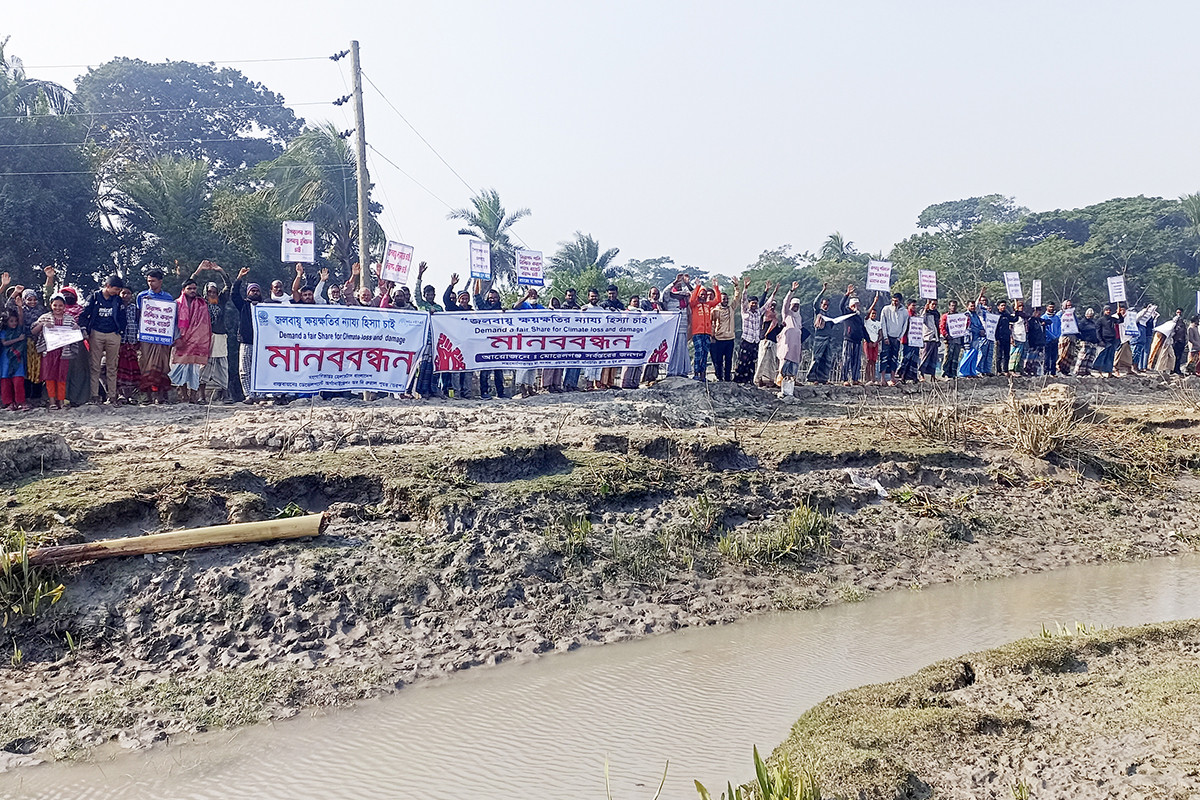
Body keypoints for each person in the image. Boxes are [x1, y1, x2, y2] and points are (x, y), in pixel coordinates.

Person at [80, 275, 126, 404]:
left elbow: (123, 317)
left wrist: (120, 332)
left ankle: (112, 396)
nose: (117, 292)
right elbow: (84, 314)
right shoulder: (94, 297)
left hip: (113, 334)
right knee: (95, 366)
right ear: (108, 286)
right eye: (116, 289)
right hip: (96, 333)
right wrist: (85, 330)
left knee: (112, 366)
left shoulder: (117, 300)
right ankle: (94, 395)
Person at [31, 294, 80, 410]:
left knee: (61, 376)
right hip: (49, 352)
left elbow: (78, 333)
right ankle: (52, 401)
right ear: (51, 305)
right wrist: (42, 325)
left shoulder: (70, 319)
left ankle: (61, 401)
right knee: (49, 377)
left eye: (61, 305)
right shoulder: (44, 317)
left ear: (64, 307)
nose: (58, 308)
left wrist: (77, 329)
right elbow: (33, 331)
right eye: (55, 305)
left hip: (64, 352)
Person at [169, 279, 212, 404]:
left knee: (195, 370)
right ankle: (183, 396)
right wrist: (176, 338)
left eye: (194, 288)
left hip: (197, 342)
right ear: (183, 290)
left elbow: (204, 324)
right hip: (181, 341)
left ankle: (193, 396)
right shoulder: (176, 304)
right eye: (189, 289)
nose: (193, 291)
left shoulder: (202, 304)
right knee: (180, 368)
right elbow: (172, 323)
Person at [136, 268, 174, 403]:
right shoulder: (142, 296)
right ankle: (148, 396)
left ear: (160, 282)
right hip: (147, 337)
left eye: (153, 281)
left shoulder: (168, 298)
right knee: (147, 364)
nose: (150, 284)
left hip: (163, 337)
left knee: (163, 364)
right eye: (148, 281)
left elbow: (170, 318)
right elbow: (138, 316)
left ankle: (162, 395)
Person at [196, 262, 231, 402]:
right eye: (209, 292)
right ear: (205, 293)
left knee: (222, 364)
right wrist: (199, 270)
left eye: (214, 292)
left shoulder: (221, 301)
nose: (212, 294)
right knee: (204, 365)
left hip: (220, 335)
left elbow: (228, 285)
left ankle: (225, 394)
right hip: (205, 337)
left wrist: (220, 270)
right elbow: (191, 284)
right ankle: (201, 396)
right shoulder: (201, 302)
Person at [231, 268, 264, 404]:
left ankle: (261, 394)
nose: (255, 293)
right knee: (245, 370)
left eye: (257, 291)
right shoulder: (243, 305)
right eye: (252, 291)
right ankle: (249, 395)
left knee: (261, 369)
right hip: (246, 342)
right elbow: (234, 294)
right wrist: (239, 278)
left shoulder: (265, 306)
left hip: (262, 343)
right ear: (248, 293)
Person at [414, 262, 444, 398]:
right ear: (425, 295)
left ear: (434, 294)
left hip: (437, 341)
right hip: (424, 340)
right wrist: (419, 275)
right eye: (427, 294)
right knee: (423, 366)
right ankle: (421, 391)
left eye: (432, 294)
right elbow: (416, 294)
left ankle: (434, 390)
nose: (430, 296)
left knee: (435, 367)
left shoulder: (439, 308)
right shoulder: (421, 305)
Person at [735, 278, 770, 383]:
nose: (754, 305)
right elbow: (743, 301)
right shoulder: (745, 312)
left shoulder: (758, 313)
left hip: (755, 341)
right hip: (746, 340)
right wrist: (745, 288)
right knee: (742, 361)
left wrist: (770, 292)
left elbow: (767, 305)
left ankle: (749, 380)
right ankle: (738, 380)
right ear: (749, 304)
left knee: (752, 362)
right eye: (752, 303)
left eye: (755, 303)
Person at [474, 286, 507, 399]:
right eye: (491, 298)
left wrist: (505, 313)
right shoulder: (483, 308)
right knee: (485, 370)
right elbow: (476, 295)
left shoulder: (502, 310)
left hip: (498, 343)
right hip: (485, 343)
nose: (492, 299)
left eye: (495, 298)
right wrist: (478, 280)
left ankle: (501, 392)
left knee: (499, 370)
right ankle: (484, 392)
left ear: (498, 298)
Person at [512, 288, 545, 397]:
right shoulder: (524, 305)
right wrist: (525, 296)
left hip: (536, 340)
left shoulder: (540, 308)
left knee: (533, 365)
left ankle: (531, 388)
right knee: (523, 365)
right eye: (531, 295)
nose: (533, 296)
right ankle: (522, 389)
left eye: (535, 294)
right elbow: (515, 307)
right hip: (523, 339)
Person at [688, 279, 722, 381]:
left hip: (707, 333)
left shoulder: (708, 305)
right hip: (697, 332)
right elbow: (691, 299)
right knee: (698, 352)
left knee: (705, 353)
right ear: (698, 295)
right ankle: (696, 373)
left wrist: (716, 288)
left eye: (705, 294)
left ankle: (703, 374)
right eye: (701, 294)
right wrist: (697, 286)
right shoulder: (694, 304)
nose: (703, 296)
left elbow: (718, 300)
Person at [0, 294, 28, 410]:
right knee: (5, 380)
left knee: (18, 380)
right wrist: (18, 339)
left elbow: (21, 319)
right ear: (6, 322)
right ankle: (8, 403)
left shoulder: (18, 329)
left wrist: (20, 307)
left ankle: (20, 401)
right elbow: (4, 343)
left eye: (15, 321)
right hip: (6, 358)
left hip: (17, 358)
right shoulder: (3, 332)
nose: (14, 323)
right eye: (11, 321)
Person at [775, 282, 803, 397]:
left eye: (797, 305)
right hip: (787, 346)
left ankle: (790, 387)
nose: (795, 307)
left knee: (793, 368)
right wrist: (791, 291)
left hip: (796, 346)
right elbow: (785, 303)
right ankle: (780, 385)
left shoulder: (799, 317)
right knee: (784, 366)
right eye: (793, 305)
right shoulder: (786, 314)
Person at [663, 274, 693, 377]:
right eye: (677, 287)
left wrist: (688, 284)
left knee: (682, 349)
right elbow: (665, 292)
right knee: (673, 350)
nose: (679, 289)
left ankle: (682, 371)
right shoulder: (669, 297)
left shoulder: (685, 298)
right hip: (673, 328)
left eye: (681, 287)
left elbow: (695, 295)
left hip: (683, 327)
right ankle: (672, 372)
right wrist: (675, 281)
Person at [807, 284, 838, 384]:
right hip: (820, 338)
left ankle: (823, 378)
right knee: (817, 358)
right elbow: (815, 303)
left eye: (827, 305)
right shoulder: (818, 311)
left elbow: (830, 326)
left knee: (827, 358)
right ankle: (812, 378)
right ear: (821, 304)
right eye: (824, 304)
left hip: (828, 338)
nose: (826, 306)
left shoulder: (828, 314)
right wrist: (823, 290)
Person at [19, 288, 45, 405]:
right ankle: (27, 395)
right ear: (24, 300)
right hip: (26, 343)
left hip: (39, 342)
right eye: (29, 299)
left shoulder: (41, 310)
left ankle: (37, 395)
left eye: (34, 299)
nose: (32, 302)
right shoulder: (20, 310)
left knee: (38, 368)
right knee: (27, 368)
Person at [116, 286, 141, 403]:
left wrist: (138, 340)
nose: (126, 296)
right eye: (123, 293)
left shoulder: (134, 308)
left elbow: (139, 323)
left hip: (131, 341)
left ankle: (130, 396)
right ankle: (120, 394)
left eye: (128, 293)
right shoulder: (116, 306)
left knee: (131, 369)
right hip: (119, 341)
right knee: (118, 369)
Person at [639, 287, 667, 384]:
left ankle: (653, 377)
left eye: (657, 294)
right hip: (648, 332)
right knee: (648, 355)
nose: (655, 296)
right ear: (649, 294)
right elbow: (642, 314)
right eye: (653, 293)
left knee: (657, 354)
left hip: (659, 333)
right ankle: (644, 377)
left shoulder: (662, 304)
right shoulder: (645, 303)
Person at [879, 292, 906, 386]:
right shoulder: (886, 309)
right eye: (893, 300)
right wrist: (885, 337)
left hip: (897, 338)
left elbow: (905, 325)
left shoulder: (904, 311)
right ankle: (882, 379)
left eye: (896, 301)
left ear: (900, 301)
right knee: (884, 357)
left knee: (894, 358)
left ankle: (892, 378)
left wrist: (900, 337)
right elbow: (883, 323)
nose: (894, 302)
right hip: (887, 336)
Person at [841, 294, 867, 386]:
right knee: (846, 360)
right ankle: (844, 379)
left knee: (856, 361)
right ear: (852, 306)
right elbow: (841, 305)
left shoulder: (858, 317)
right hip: (849, 340)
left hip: (858, 341)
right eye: (856, 305)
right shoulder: (847, 313)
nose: (858, 307)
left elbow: (863, 329)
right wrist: (847, 295)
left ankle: (855, 379)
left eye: (858, 305)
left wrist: (868, 340)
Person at [754, 297, 781, 387]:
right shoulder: (763, 316)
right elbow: (761, 304)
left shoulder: (775, 318)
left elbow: (777, 331)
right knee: (762, 360)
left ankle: (770, 380)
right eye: (771, 305)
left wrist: (782, 326)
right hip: (764, 340)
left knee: (771, 361)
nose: (772, 307)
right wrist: (766, 292)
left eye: (774, 305)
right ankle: (758, 379)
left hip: (773, 341)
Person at [711, 288, 736, 381]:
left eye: (726, 299)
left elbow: (737, 298)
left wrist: (737, 286)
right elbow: (712, 323)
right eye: (723, 299)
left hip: (730, 338)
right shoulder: (715, 310)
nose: (725, 301)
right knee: (719, 360)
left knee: (729, 360)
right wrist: (712, 336)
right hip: (719, 338)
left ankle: (728, 378)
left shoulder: (731, 308)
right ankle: (719, 377)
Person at [561, 287, 583, 391]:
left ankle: (573, 384)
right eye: (569, 295)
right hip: (565, 337)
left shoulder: (578, 307)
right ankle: (566, 384)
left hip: (577, 337)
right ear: (566, 296)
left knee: (577, 360)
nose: (571, 297)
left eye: (573, 295)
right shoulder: (562, 307)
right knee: (568, 361)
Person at [958, 299, 986, 378]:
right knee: (968, 354)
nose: (973, 307)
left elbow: (979, 324)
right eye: (971, 306)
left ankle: (972, 372)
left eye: (974, 306)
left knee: (975, 354)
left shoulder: (975, 315)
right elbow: (969, 327)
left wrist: (982, 330)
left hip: (977, 337)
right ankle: (963, 372)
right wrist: (978, 330)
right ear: (967, 306)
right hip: (969, 337)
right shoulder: (966, 315)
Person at [1093, 305, 1124, 377]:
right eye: (1107, 310)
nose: (1108, 311)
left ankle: (1109, 372)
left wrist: (1119, 314)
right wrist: (1100, 340)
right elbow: (1098, 331)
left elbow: (1121, 321)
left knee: (1110, 356)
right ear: (1104, 311)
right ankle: (1099, 372)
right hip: (1104, 340)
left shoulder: (1112, 319)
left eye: (1109, 310)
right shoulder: (1100, 320)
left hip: (1112, 340)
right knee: (1102, 356)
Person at [897, 299, 921, 383]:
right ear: (908, 305)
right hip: (906, 340)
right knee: (906, 358)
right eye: (913, 305)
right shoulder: (905, 314)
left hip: (915, 340)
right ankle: (902, 376)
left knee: (914, 359)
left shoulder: (916, 315)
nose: (914, 307)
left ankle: (913, 377)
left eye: (915, 305)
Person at [940, 299, 963, 380]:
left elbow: (964, 325)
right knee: (948, 356)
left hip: (957, 339)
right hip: (949, 340)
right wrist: (946, 335)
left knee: (955, 357)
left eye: (955, 306)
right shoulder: (945, 316)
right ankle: (945, 373)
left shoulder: (960, 317)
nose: (953, 307)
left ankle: (953, 374)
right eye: (952, 305)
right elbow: (942, 327)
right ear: (949, 306)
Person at [992, 300, 1017, 375]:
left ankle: (1005, 370)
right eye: (1002, 305)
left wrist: (1016, 312)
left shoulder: (1006, 314)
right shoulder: (996, 315)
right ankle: (999, 371)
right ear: (998, 307)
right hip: (999, 337)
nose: (1003, 307)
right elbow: (995, 328)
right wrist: (996, 338)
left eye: (1004, 305)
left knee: (1007, 355)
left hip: (1007, 337)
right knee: (999, 355)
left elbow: (1014, 319)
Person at [919, 298, 940, 380]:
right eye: (932, 304)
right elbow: (922, 320)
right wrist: (925, 308)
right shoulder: (925, 313)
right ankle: (921, 375)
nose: (934, 306)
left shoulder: (936, 313)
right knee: (924, 357)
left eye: (935, 304)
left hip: (935, 338)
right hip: (927, 338)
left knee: (933, 358)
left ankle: (933, 376)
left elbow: (937, 326)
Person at [1075, 308, 1100, 376]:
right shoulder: (1082, 322)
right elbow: (1077, 331)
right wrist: (1082, 338)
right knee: (1083, 357)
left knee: (1091, 357)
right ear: (1086, 314)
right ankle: (1078, 371)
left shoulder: (1093, 322)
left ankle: (1087, 371)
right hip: (1086, 342)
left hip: (1093, 342)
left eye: (1091, 315)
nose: (1090, 316)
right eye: (1088, 314)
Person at [863, 298, 882, 384]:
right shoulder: (867, 321)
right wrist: (874, 302)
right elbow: (867, 313)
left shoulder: (878, 323)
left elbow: (881, 334)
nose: (873, 315)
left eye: (875, 314)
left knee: (874, 361)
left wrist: (876, 342)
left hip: (875, 343)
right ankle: (867, 378)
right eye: (872, 313)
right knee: (868, 360)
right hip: (867, 342)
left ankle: (873, 378)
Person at [1023, 306, 1046, 376]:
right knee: (1030, 357)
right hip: (1033, 342)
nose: (1038, 313)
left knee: (1037, 359)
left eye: (1039, 311)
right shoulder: (1031, 321)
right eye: (1036, 311)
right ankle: (1028, 370)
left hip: (1040, 342)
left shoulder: (1040, 321)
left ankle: (1035, 370)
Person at [1041, 302, 1061, 377]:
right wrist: (1052, 336)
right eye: (1050, 307)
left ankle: (1053, 372)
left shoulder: (1057, 318)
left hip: (1056, 340)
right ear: (1047, 307)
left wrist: (1058, 336)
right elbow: (1045, 329)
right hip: (1048, 340)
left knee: (1054, 357)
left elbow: (1059, 327)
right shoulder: (1044, 317)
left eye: (1052, 307)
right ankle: (1046, 372)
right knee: (1047, 357)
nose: (1051, 309)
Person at [1171, 308, 1188, 376]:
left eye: (1180, 313)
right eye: (1177, 312)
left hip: (1182, 341)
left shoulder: (1183, 322)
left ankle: (1177, 369)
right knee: (1175, 355)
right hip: (1176, 341)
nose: (1179, 314)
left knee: (1179, 356)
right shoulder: (1175, 321)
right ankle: (1173, 369)